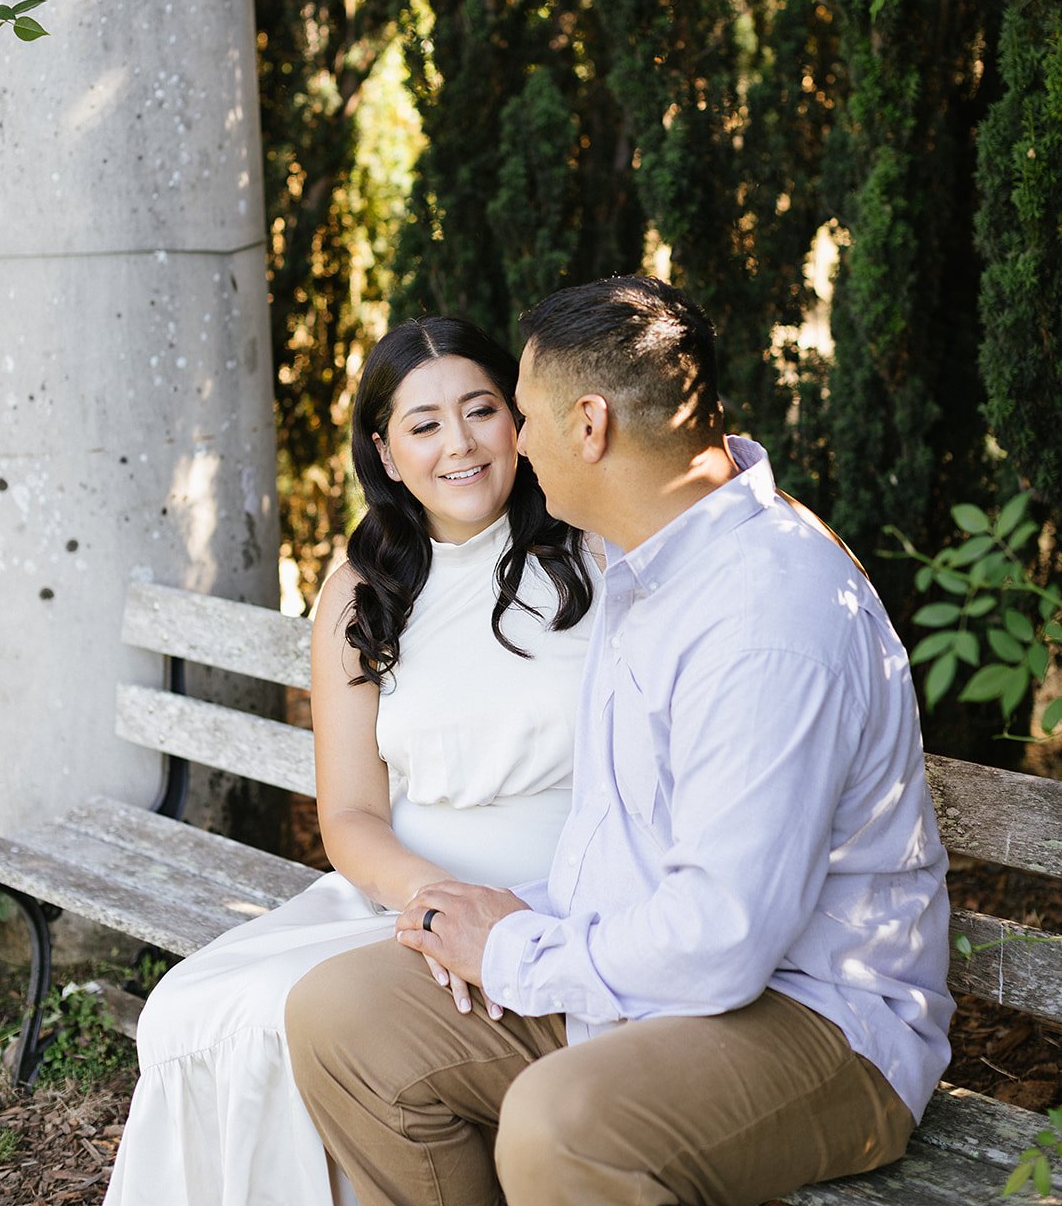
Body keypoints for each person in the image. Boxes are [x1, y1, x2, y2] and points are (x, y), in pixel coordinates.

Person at [285, 274, 954, 1206]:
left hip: (814, 1018)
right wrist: (490, 916)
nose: (506, 443)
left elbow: (724, 942)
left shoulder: (763, 617)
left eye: (516, 414)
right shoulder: (639, 569)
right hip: (632, 961)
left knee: (564, 1126)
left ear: (588, 426)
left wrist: (514, 950)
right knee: (343, 1015)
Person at [103, 316, 598, 1206]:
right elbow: (351, 817)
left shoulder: (591, 554)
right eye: (423, 424)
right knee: (193, 1013)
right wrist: (434, 901)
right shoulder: (363, 590)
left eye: (481, 410)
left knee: (293, 1023)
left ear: (519, 420)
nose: (460, 444)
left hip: (552, 901)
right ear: (385, 449)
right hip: (402, 895)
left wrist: (489, 921)